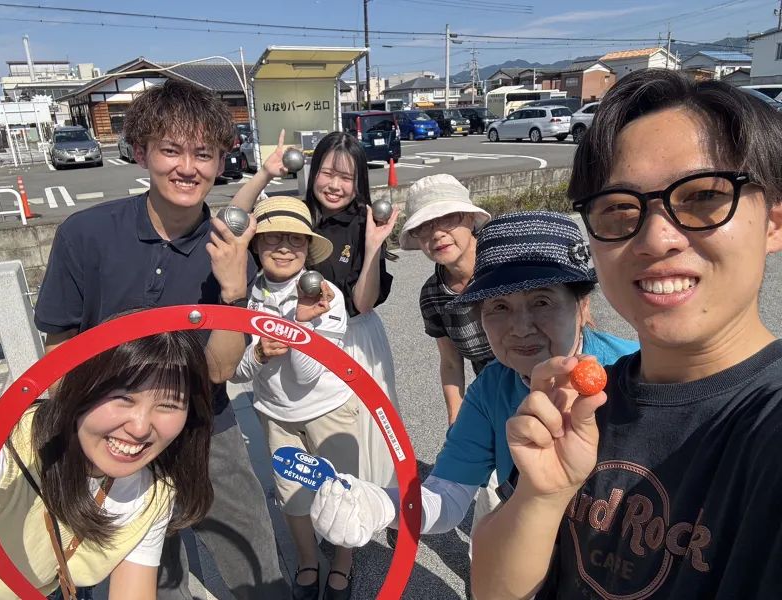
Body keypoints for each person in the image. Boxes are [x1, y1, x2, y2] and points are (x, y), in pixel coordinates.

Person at [470, 70, 782, 599]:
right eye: (618, 207)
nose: (656, 238)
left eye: (703, 196)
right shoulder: (583, 405)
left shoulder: (766, 425)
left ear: (773, 222)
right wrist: (543, 495)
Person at [34, 80, 289, 598]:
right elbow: (61, 348)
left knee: (253, 553)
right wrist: (84, 435)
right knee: (153, 573)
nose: (187, 168)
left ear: (220, 162)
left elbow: (219, 371)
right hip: (114, 424)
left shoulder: (229, 249)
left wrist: (234, 293)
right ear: (141, 151)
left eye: (203, 154)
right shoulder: (85, 234)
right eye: (171, 150)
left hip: (204, 424)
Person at [308, 212, 638, 554]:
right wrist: (379, 505)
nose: (520, 327)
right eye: (499, 306)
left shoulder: (636, 369)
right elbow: (447, 496)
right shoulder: (491, 390)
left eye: (542, 301)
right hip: (534, 562)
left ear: (582, 306)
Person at [0, 332, 212, 600]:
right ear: (82, 387)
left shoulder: (153, 493)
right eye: (124, 398)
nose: (139, 428)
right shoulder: (3, 449)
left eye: (169, 405)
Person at [232, 131, 401, 490]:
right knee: (300, 440)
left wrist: (373, 247)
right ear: (312, 172)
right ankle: (310, 504)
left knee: (356, 434)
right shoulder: (298, 215)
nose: (335, 185)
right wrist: (265, 173)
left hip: (352, 339)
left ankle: (364, 502)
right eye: (327, 173)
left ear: (359, 182)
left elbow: (363, 303)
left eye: (346, 177)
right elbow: (233, 221)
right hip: (294, 333)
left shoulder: (365, 222)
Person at [231, 196, 360, 600]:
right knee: (292, 495)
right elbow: (234, 372)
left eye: (296, 240)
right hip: (275, 414)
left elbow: (307, 376)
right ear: (256, 244)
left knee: (341, 491)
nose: (285, 248)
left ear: (308, 247)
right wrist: (258, 353)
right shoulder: (245, 295)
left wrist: (300, 325)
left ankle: (343, 562)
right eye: (273, 238)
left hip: (328, 409)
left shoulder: (326, 296)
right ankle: (307, 561)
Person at [399, 174, 494, 426]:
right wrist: (455, 419)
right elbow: (451, 363)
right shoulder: (433, 295)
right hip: (495, 397)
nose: (437, 233)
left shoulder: (505, 262)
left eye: (448, 218)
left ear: (471, 218)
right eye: (424, 226)